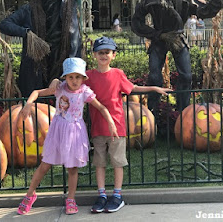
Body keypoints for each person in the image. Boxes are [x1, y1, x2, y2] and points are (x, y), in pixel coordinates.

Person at [49, 36, 172, 213]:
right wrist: (54, 81)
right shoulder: (88, 76)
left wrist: (154, 88)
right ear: (94, 55)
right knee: (99, 162)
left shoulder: (118, 74)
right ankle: (102, 195)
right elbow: (69, 83)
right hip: (98, 127)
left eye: (107, 52)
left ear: (113, 55)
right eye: (100, 52)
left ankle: (117, 195)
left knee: (117, 162)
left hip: (117, 126)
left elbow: (133, 88)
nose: (104, 55)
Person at [0, 0, 122, 98]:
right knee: (40, 104)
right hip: (40, 62)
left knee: (67, 99)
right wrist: (26, 33)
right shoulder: (29, 9)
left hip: (66, 58)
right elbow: (4, 24)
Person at [131, 0, 223, 112]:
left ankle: (183, 111)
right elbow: (136, 23)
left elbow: (204, 10)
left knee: (186, 75)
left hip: (178, 38)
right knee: (155, 76)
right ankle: (152, 112)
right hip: (159, 39)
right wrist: (158, 35)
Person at [16, 57, 118, 216]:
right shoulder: (59, 88)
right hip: (57, 132)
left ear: (83, 78)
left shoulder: (85, 92)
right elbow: (36, 92)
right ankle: (30, 194)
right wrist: (28, 103)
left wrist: (111, 123)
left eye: (78, 77)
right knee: (44, 166)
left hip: (74, 134)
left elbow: (101, 107)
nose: (74, 80)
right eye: (70, 77)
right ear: (65, 77)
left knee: (72, 168)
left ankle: (71, 199)